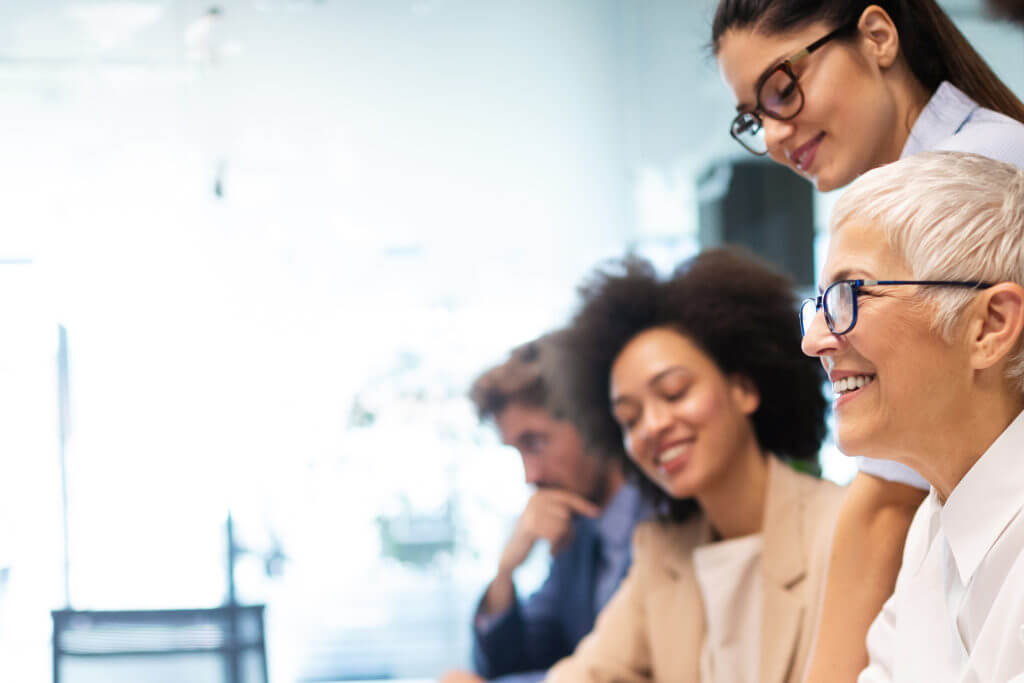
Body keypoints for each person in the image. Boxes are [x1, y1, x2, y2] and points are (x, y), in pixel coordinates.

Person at [711, 3, 1024, 678]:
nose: (769, 133)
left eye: (781, 87)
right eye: (751, 115)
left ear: (878, 36)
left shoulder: (992, 173)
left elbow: (882, 505)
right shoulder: (932, 529)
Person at [545, 248, 841, 682]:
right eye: (629, 419)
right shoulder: (662, 552)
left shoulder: (840, 527)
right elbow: (588, 674)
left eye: (674, 392)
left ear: (743, 388)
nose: (652, 427)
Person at [801, 150, 1024, 681]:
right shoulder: (935, 524)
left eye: (850, 293)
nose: (814, 341)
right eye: (821, 304)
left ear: (990, 325)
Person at [441, 332, 651, 683]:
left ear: (594, 421)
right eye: (517, 452)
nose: (530, 475)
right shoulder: (578, 533)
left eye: (535, 443)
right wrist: (506, 571)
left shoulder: (668, 519)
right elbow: (517, 663)